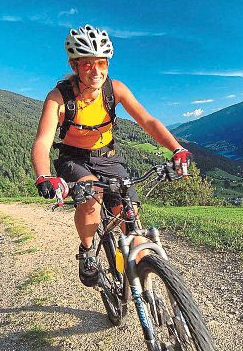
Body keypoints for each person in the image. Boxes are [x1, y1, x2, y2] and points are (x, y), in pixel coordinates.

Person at [31, 24, 191, 287]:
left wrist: (177, 149)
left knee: (130, 219)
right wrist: (45, 176)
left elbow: (148, 121)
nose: (96, 71)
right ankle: (87, 251)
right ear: (75, 66)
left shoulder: (115, 90)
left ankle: (150, 288)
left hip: (109, 158)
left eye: (102, 63)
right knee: (91, 197)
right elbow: (42, 141)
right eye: (87, 64)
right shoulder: (58, 98)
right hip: (75, 159)